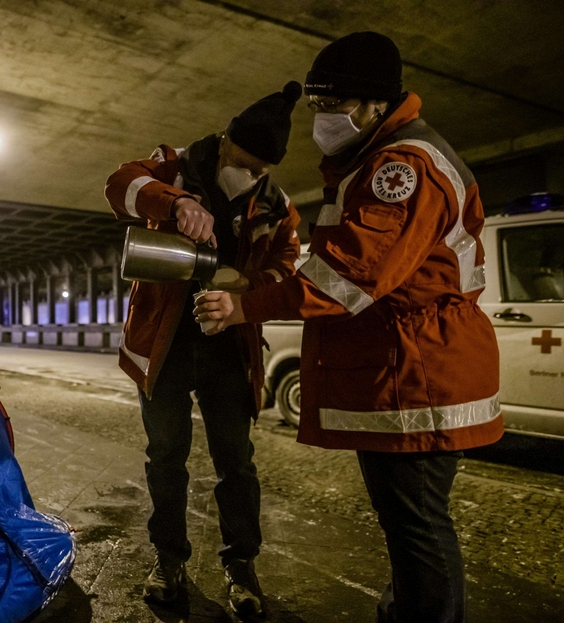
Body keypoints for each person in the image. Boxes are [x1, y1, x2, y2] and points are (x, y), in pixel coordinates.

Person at [195, 32, 503, 623]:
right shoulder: (376, 160)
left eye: (332, 105)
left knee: (417, 528)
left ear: (373, 104)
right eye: (316, 105)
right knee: (407, 525)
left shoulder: (402, 169)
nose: (322, 119)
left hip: (417, 375)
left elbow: (345, 278)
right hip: (404, 366)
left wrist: (244, 306)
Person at [104, 82, 303, 617]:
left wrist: (248, 281)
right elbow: (119, 185)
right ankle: (169, 561)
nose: (252, 173)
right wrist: (177, 202)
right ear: (225, 140)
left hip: (228, 348)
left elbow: (288, 259)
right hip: (165, 346)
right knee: (165, 457)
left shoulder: (275, 204)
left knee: (236, 464)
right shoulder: (171, 168)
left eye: (263, 168)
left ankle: (242, 567)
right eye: (245, 160)